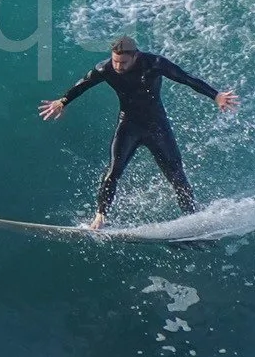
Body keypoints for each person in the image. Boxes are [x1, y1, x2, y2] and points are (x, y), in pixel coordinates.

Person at [39, 35, 238, 230]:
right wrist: (62, 101)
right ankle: (100, 217)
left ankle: (192, 218)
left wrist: (216, 95)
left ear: (136, 56)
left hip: (157, 126)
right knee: (113, 171)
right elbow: (83, 84)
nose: (118, 66)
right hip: (129, 125)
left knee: (176, 175)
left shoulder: (155, 64)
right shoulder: (105, 68)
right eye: (115, 61)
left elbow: (186, 78)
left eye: (123, 62)